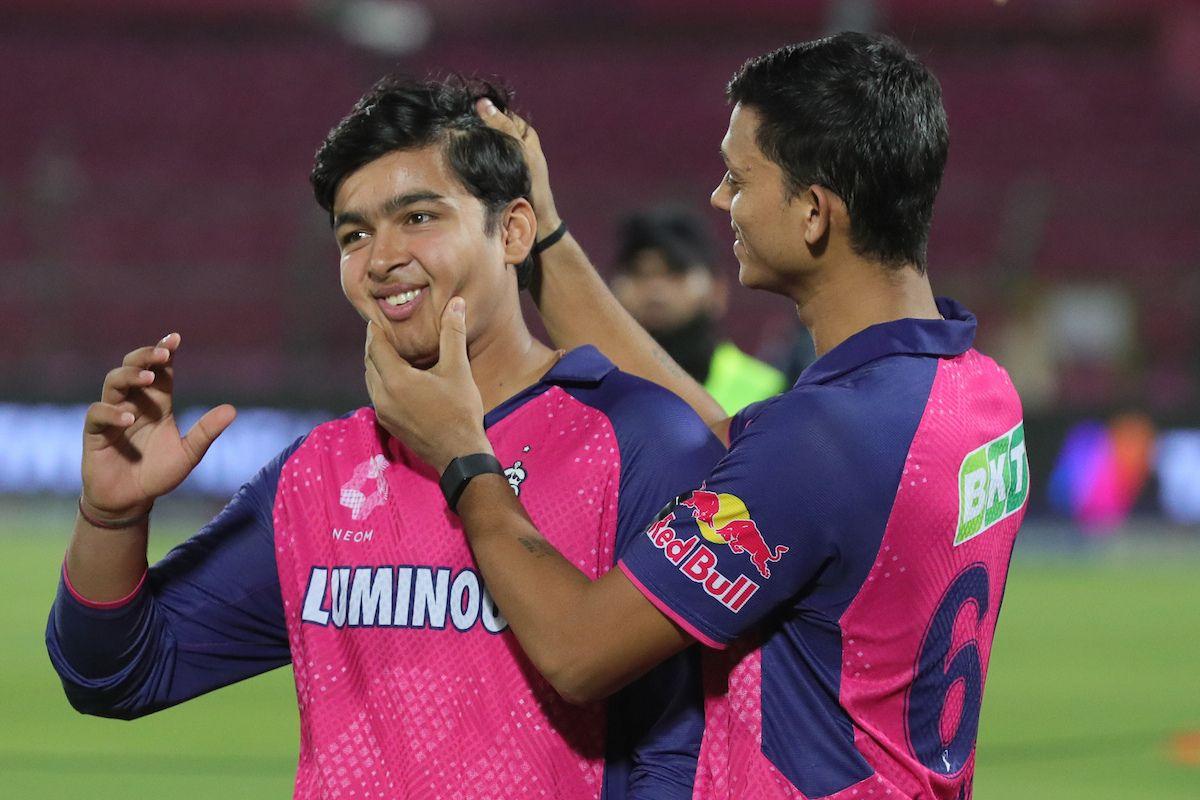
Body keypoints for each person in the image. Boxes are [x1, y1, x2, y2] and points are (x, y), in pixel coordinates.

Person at [367, 33, 1030, 800]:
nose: (720, 201)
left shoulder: (819, 445)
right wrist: (546, 240)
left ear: (814, 213)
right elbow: (746, 460)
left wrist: (462, 453)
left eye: (739, 178)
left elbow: (579, 649)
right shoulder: (977, 394)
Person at [45, 76, 726, 799]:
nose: (381, 258)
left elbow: (682, 755)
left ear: (515, 231)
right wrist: (111, 518)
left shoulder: (639, 441)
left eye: (419, 217)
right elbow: (116, 673)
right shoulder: (321, 473)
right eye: (355, 233)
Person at [611, 206, 786, 414]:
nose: (654, 289)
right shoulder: (594, 387)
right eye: (638, 273)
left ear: (718, 290)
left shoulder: (769, 391)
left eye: (675, 272)